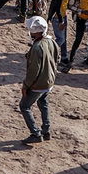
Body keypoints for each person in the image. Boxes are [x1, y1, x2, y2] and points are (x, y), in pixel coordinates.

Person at [20, 16, 59, 144]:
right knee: (43, 103)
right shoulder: (51, 41)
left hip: (38, 84)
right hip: (49, 81)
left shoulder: (37, 47)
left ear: (36, 32)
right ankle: (46, 131)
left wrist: (26, 86)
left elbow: (33, 71)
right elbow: (56, 59)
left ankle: (35, 133)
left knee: (24, 106)